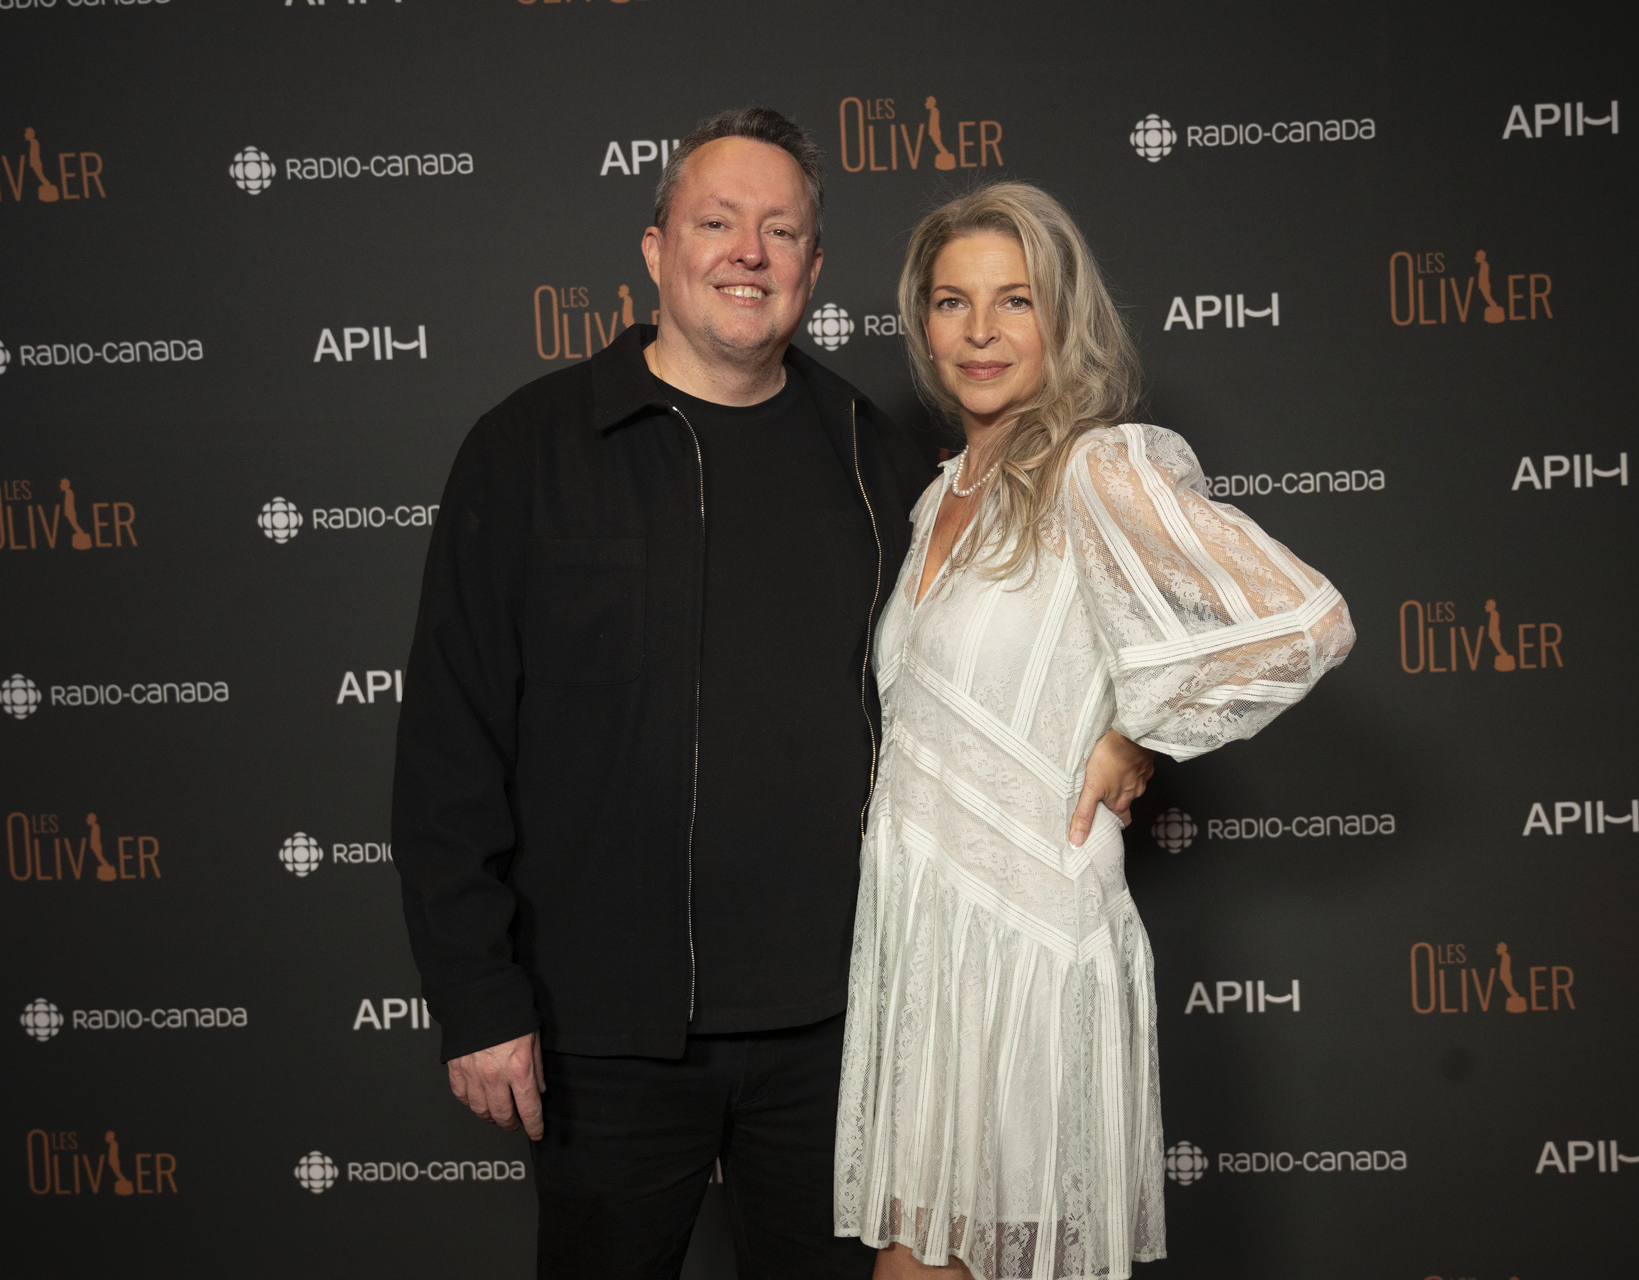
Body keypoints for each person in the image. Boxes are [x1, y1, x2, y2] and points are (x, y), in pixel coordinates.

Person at [392, 110, 1155, 1278]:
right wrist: (476, 993)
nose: (748, 251)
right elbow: (449, 742)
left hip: (843, 1029)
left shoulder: (876, 455)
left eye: (781, 230)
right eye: (716, 222)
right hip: (604, 1031)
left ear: (811, 270)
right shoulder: (528, 449)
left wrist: (1132, 730)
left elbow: (1017, 651)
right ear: (656, 249)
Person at [834, 183, 1355, 1279]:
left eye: (1014, 300)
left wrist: (1139, 728)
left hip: (1030, 935)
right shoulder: (940, 494)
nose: (979, 331)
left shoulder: (1097, 468)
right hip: (932, 943)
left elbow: (1308, 619)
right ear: (921, 323)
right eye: (951, 301)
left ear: (1061, 318)